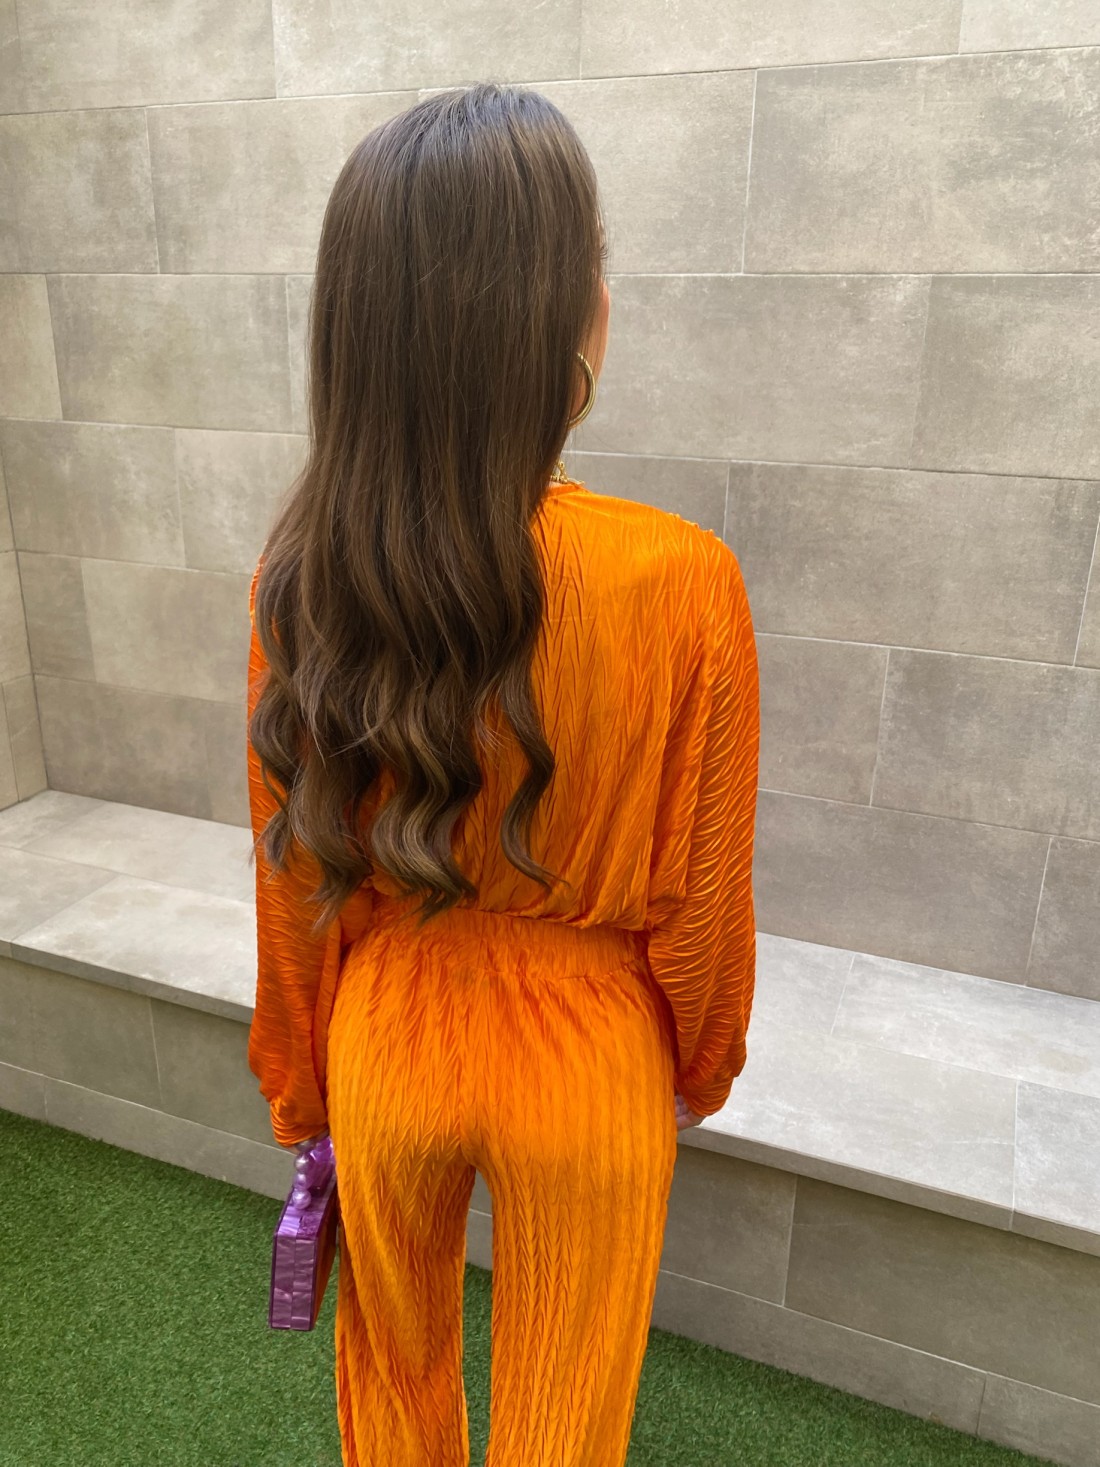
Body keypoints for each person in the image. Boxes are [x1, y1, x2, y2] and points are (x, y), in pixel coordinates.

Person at [246, 81, 760, 1467]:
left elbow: (292, 876)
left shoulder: (304, 580)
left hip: (384, 1039)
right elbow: (706, 895)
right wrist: (699, 1062)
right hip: (590, 1057)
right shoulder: (682, 579)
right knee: (565, 1420)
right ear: (571, 317)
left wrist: (301, 1085)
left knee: (392, 1382)